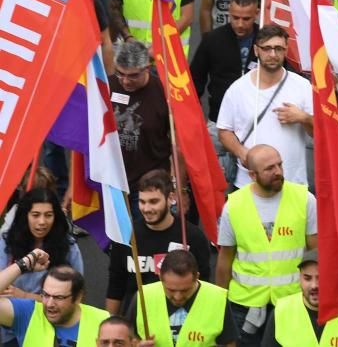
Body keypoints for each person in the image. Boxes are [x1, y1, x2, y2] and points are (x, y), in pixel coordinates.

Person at [215, 144, 319, 345]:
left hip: (291, 300)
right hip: (244, 304)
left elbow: (316, 253)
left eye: (279, 165)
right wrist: (222, 303)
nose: (278, 172)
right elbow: (225, 259)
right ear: (253, 175)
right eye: (270, 168)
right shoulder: (233, 205)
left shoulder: (305, 199)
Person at [105, 170, 213, 317]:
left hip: (180, 320)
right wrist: (111, 325)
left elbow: (204, 286)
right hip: (137, 319)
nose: (146, 209)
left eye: (154, 201)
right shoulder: (126, 237)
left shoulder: (193, 237)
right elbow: (115, 286)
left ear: (170, 198)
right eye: (142, 202)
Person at [217, 26, 314, 188]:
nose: (273, 54)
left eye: (278, 48)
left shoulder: (302, 86)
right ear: (256, 50)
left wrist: (302, 117)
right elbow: (224, 131)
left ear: (286, 50)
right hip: (249, 183)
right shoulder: (238, 89)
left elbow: (320, 132)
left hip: (292, 182)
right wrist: (242, 153)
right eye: (267, 48)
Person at [191, 0, 259, 169]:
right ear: (229, 12)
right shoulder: (213, 40)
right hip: (219, 122)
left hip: (257, 125)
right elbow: (194, 81)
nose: (240, 24)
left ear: (257, 14)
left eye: (246, 19)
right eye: (235, 17)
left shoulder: (266, 41)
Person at [263, 249, 338, 346]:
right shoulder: (281, 312)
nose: (314, 285)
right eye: (307, 278)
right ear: (300, 278)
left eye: (321, 278)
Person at [0, 188, 83, 315]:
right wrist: (23, 265)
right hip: (11, 316)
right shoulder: (6, 242)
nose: (42, 222)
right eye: (35, 215)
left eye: (48, 215)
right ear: (25, 216)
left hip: (52, 318)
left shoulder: (69, 247)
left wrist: (24, 296)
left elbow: (76, 297)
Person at [133, 249, 237, 347]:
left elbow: (229, 342)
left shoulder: (217, 298)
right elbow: (126, 339)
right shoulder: (143, 296)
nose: (177, 297)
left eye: (185, 290)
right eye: (171, 290)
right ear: (160, 277)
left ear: (197, 277)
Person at [108, 37, 174, 190]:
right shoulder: (107, 86)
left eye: (133, 76)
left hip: (151, 183)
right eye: (120, 74)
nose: (125, 81)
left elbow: (178, 144)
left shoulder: (165, 92)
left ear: (147, 68)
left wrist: (178, 185)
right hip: (112, 181)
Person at [0, 257, 109, 346]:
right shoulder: (28, 313)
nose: (50, 304)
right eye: (46, 295)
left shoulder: (103, 321)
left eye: (59, 297)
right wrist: (24, 264)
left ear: (78, 297)